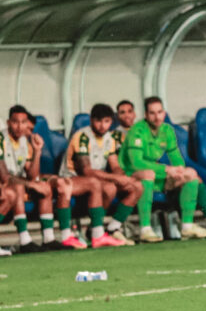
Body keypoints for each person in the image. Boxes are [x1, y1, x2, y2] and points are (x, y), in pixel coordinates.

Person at [120, 96, 206, 240]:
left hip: (155, 176)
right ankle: (145, 229)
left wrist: (179, 170)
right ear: (146, 115)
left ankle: (190, 227)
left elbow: (176, 157)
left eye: (159, 112)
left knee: (191, 174)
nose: (156, 117)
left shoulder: (167, 130)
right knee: (148, 174)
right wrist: (167, 169)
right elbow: (136, 164)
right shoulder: (137, 130)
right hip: (131, 176)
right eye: (152, 113)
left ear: (164, 113)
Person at [4, 104, 90, 250]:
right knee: (19, 187)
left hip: (18, 181)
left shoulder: (25, 142)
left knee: (45, 187)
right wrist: (30, 184)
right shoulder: (2, 139)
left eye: (23, 123)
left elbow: (33, 175)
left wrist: (38, 151)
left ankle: (49, 238)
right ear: (8, 123)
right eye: (15, 122)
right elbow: (4, 176)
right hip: (6, 184)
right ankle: (25, 241)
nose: (20, 127)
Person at [60, 102, 146, 244]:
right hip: (74, 179)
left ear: (111, 122)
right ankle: (96, 228)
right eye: (98, 121)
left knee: (137, 186)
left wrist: (123, 177)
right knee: (109, 188)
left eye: (106, 121)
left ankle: (113, 228)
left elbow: (114, 165)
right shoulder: (82, 136)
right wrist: (115, 178)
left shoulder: (109, 138)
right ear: (91, 120)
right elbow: (86, 171)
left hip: (98, 179)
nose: (102, 125)